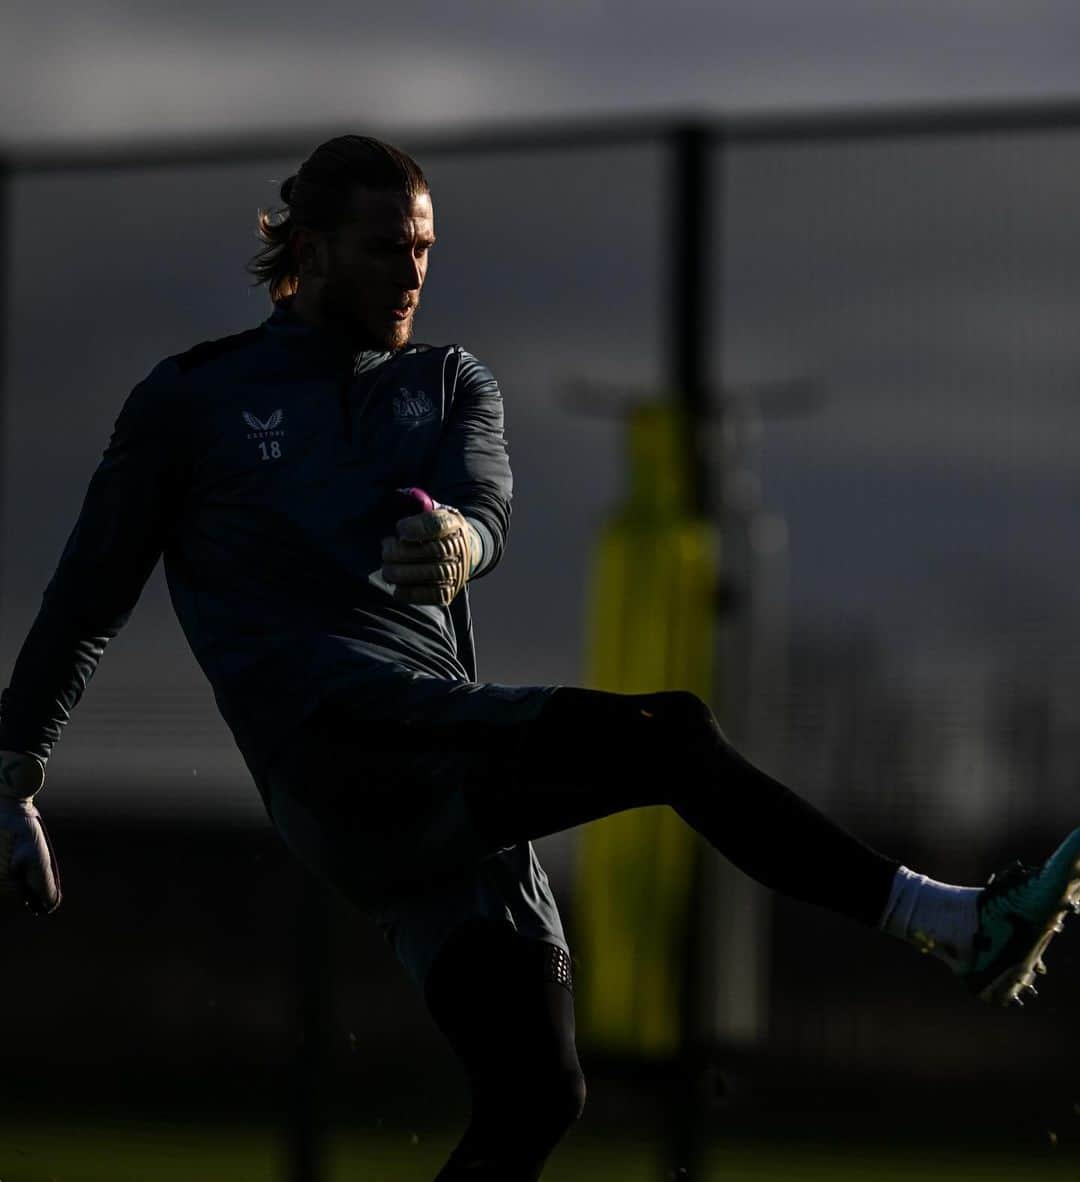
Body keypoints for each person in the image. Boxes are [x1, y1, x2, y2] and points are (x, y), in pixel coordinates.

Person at [0, 134, 1076, 1182]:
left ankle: (955, 928)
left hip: (443, 768)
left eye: (423, 246)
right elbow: (84, 598)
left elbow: (487, 504)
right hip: (342, 753)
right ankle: (953, 923)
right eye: (385, 246)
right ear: (310, 249)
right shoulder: (193, 400)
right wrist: (15, 774)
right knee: (673, 736)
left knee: (538, 1094)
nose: (411, 270)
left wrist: (461, 541)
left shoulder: (450, 382)